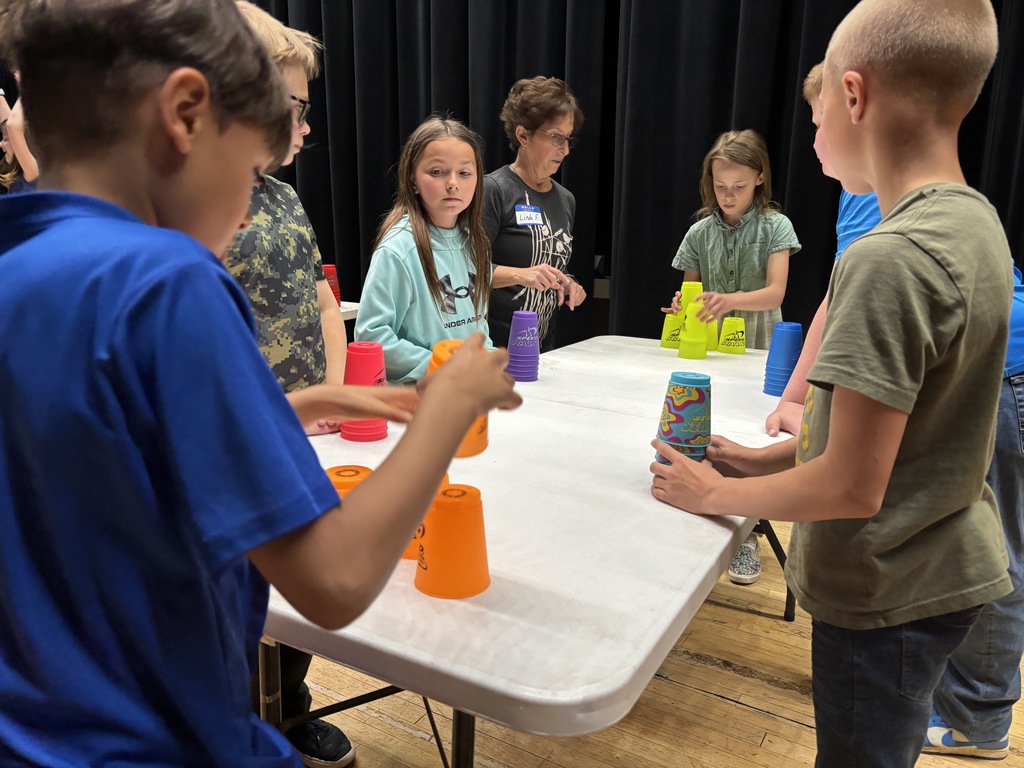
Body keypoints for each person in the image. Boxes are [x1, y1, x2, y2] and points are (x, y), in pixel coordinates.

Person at [0, 3, 521, 767]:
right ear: (183, 114)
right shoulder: (169, 282)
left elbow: (93, 455)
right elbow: (333, 581)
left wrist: (293, 405)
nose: (247, 210)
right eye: (248, 170)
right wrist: (449, 408)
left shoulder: (18, 262)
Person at [649, 1, 1013, 765]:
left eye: (816, 119)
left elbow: (852, 486)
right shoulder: (974, 221)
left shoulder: (889, 258)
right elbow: (904, 432)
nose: (812, 136)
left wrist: (714, 496)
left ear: (854, 96)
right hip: (943, 563)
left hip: (886, 589)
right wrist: (758, 461)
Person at [224, 4, 353, 764]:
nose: (304, 128)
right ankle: (243, 717)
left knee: (292, 589)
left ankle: (292, 706)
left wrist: (334, 391)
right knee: (241, 597)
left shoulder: (284, 199)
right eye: (293, 109)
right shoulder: (195, 207)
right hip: (239, 437)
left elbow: (322, 299)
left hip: (301, 429)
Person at [663, 129, 801, 585]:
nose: (728, 195)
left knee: (748, 441)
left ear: (760, 178)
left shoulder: (776, 226)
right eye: (720, 186)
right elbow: (690, 292)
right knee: (707, 432)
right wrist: (684, 305)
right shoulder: (700, 230)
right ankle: (710, 531)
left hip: (759, 352)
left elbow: (776, 292)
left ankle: (747, 535)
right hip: (707, 352)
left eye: (738, 186)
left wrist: (730, 299)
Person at [924, 263, 1024, 760]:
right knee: (996, 545)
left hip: (999, 374)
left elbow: (837, 307)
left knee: (993, 553)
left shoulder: (867, 190)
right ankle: (971, 708)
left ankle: (977, 723)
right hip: (1002, 369)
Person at [763, 63, 882, 440]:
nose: (815, 144)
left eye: (820, 126)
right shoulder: (865, 184)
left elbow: (840, 295)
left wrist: (794, 399)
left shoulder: (871, 183)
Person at [356, 116, 495, 383]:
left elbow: (478, 324)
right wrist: (441, 366)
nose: (453, 183)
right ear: (412, 178)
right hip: (417, 398)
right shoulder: (399, 248)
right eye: (437, 172)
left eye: (464, 173)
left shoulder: (475, 243)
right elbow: (372, 335)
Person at [484, 76, 587, 350]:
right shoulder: (494, 190)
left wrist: (569, 283)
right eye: (556, 138)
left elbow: (551, 264)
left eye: (568, 139)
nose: (564, 150)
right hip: (491, 352)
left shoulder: (566, 200)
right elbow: (464, 274)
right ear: (523, 135)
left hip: (540, 349)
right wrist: (521, 275)